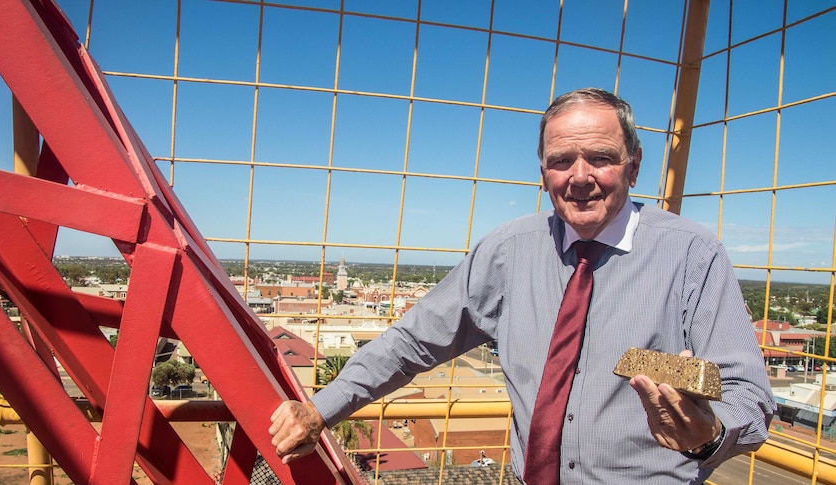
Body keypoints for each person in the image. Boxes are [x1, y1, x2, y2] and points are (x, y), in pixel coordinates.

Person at [269, 88, 775, 484]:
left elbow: (749, 393)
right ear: (543, 173)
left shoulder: (690, 254)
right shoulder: (510, 251)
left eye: (600, 157)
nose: (579, 177)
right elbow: (413, 342)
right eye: (561, 161)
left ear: (634, 166)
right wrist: (320, 410)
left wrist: (709, 436)